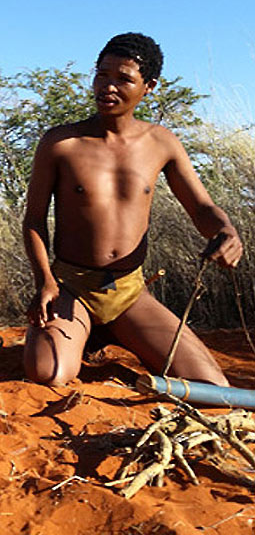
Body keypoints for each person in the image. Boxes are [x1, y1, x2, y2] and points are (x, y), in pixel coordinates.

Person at [22, 33, 243, 387]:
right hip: (72, 287)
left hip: (128, 291)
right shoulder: (61, 142)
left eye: (123, 78)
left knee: (211, 386)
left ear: (149, 86)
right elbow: (33, 221)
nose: (107, 86)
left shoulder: (161, 142)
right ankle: (85, 332)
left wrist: (227, 231)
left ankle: (114, 331)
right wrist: (45, 281)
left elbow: (202, 208)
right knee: (48, 374)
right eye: (101, 75)